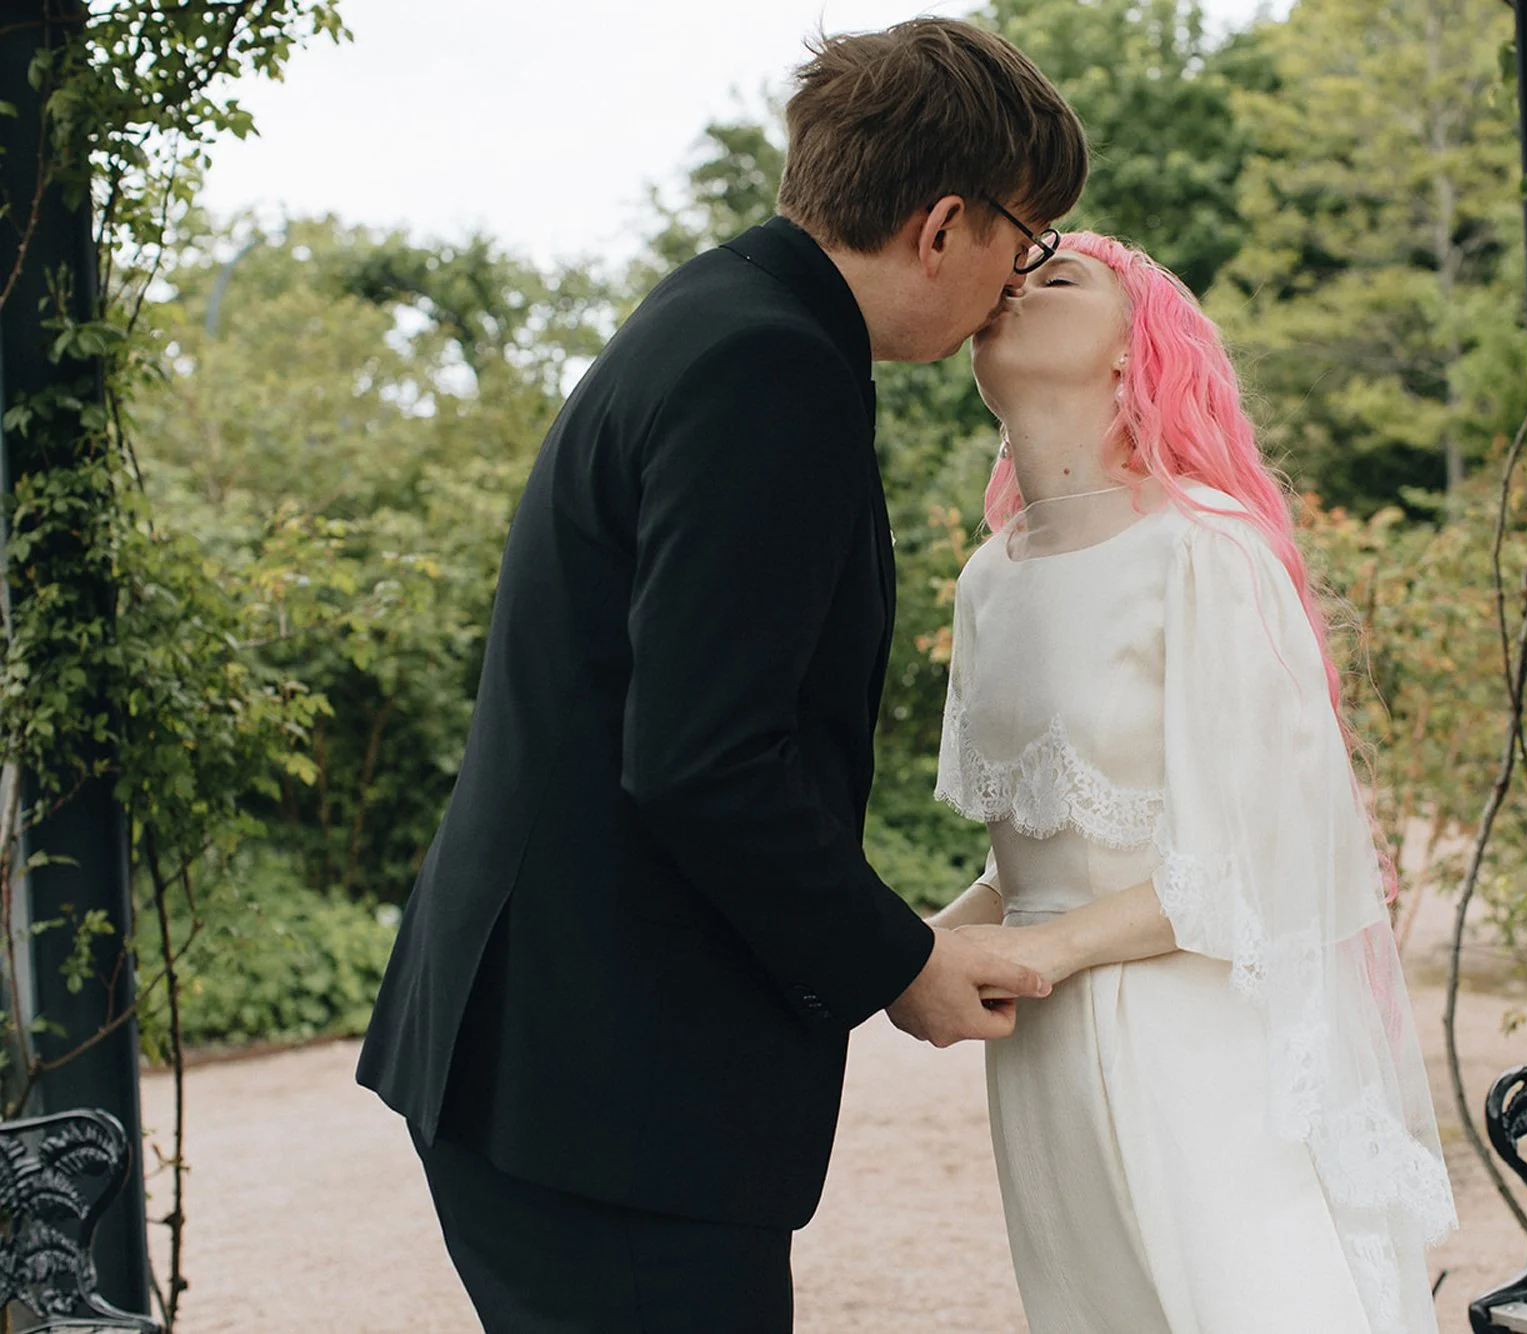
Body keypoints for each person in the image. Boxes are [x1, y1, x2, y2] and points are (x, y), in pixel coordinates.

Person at [355, 20, 1087, 1332]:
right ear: (941, 226)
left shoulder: (720, 310)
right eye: (1024, 243)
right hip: (608, 1094)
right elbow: (703, 759)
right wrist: (900, 961)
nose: (1015, 285)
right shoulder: (772, 367)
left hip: (552, 1062)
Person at [927, 231, 1459, 1333]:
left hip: (1196, 1043)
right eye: (1014, 272)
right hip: (1045, 1061)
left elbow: (1259, 863)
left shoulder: (1205, 550)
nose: (1016, 285)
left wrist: (1038, 954)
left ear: (1136, 352)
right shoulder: (986, 582)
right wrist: (907, 951)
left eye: (1057, 277)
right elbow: (1030, 855)